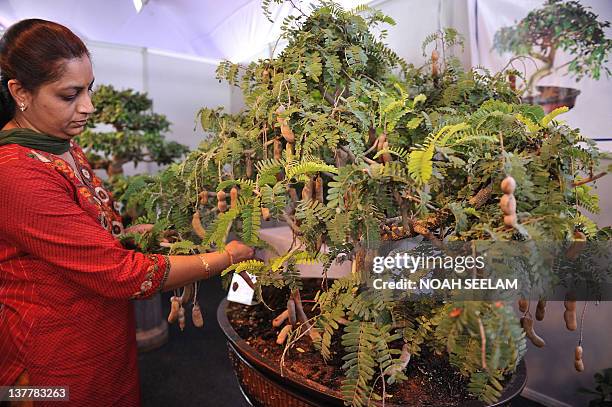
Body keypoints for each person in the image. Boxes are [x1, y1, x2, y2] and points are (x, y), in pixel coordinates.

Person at [0, 19, 254, 406]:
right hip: (50, 358)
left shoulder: (61, 144)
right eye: (70, 94)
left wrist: (134, 236)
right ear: (20, 92)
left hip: (103, 338)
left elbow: (85, 237)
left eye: (89, 89)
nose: (88, 106)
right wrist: (223, 258)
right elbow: (120, 274)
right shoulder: (15, 172)